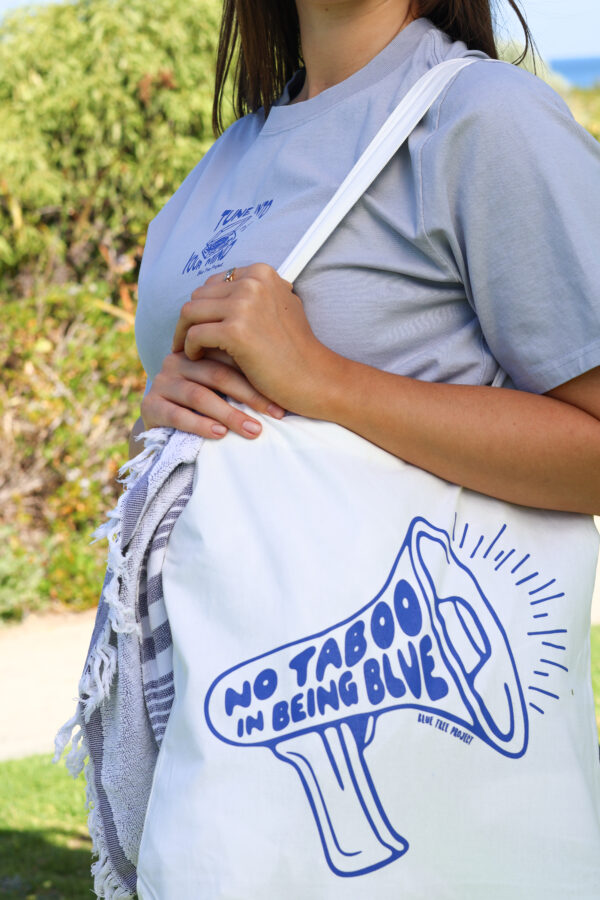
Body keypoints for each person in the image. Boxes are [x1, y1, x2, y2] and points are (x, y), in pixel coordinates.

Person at [130, 1, 600, 897]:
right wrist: (159, 418)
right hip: (226, 794)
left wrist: (328, 381)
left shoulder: (483, 118)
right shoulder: (218, 168)